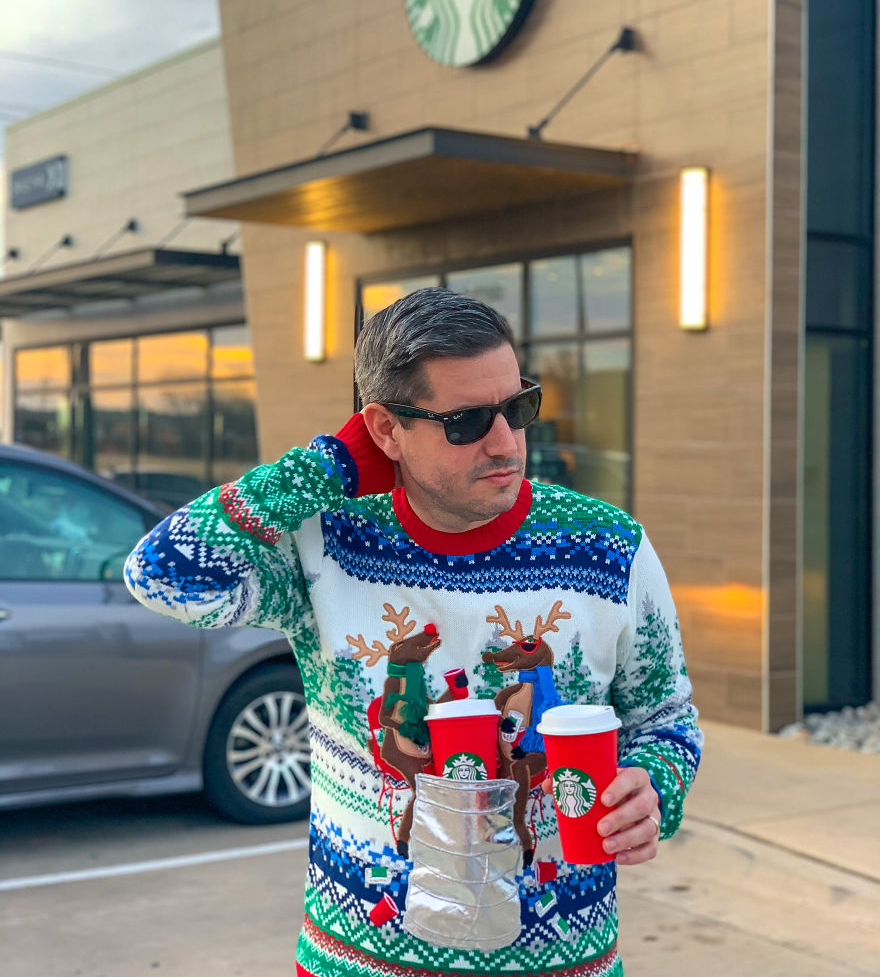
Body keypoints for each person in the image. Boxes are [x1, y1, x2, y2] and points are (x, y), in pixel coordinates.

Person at [125, 287, 703, 977]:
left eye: (518, 407)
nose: (504, 441)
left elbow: (666, 717)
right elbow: (161, 574)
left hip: (561, 961)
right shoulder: (324, 543)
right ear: (385, 428)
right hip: (360, 961)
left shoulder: (607, 547)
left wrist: (654, 787)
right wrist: (329, 466)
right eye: (465, 422)